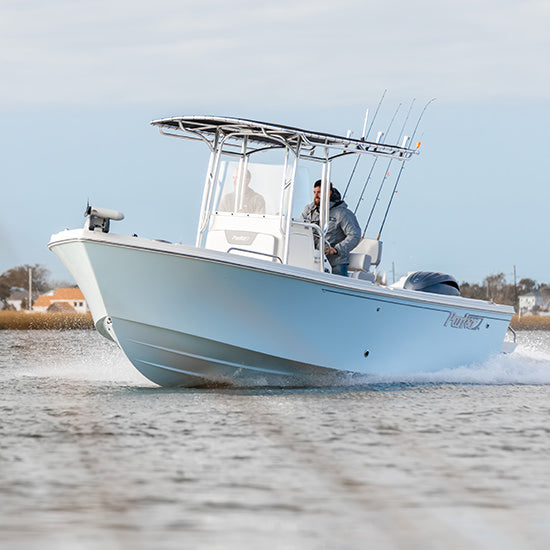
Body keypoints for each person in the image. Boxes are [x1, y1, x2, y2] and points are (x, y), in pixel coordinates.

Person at [302, 180, 361, 276]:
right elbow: (300, 227)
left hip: (335, 265)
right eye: (314, 192)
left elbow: (355, 235)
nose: (316, 195)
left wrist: (337, 249)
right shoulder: (309, 210)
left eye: (319, 192)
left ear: (328, 193)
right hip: (313, 261)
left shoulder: (343, 213)